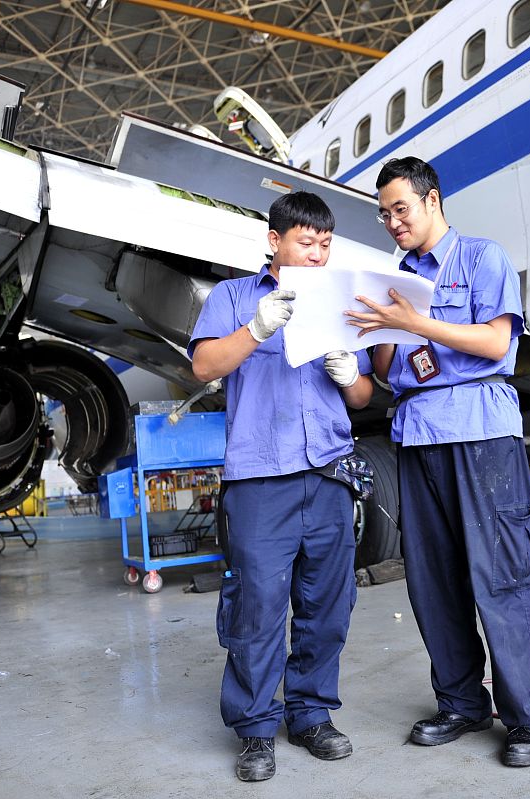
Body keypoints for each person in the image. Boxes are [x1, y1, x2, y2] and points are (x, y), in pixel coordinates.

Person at [345, 157, 530, 767]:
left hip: (479, 432)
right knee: (433, 581)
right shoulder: (396, 276)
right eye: (384, 213)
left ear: (433, 200)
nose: (392, 222)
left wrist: (416, 321)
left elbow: (496, 342)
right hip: (417, 434)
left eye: (400, 209)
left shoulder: (480, 259)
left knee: (500, 575)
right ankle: (463, 704)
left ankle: (526, 720)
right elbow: (386, 373)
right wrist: (377, 328)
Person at [188, 190, 374, 782]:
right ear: (275, 241)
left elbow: (365, 395)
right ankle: (256, 730)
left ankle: (312, 714)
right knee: (258, 607)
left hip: (328, 475)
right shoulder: (234, 297)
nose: (317, 255)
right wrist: (255, 329)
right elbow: (204, 366)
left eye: (325, 245)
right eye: (305, 243)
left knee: (327, 605)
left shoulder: (343, 304)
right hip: (259, 479)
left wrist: (350, 377)